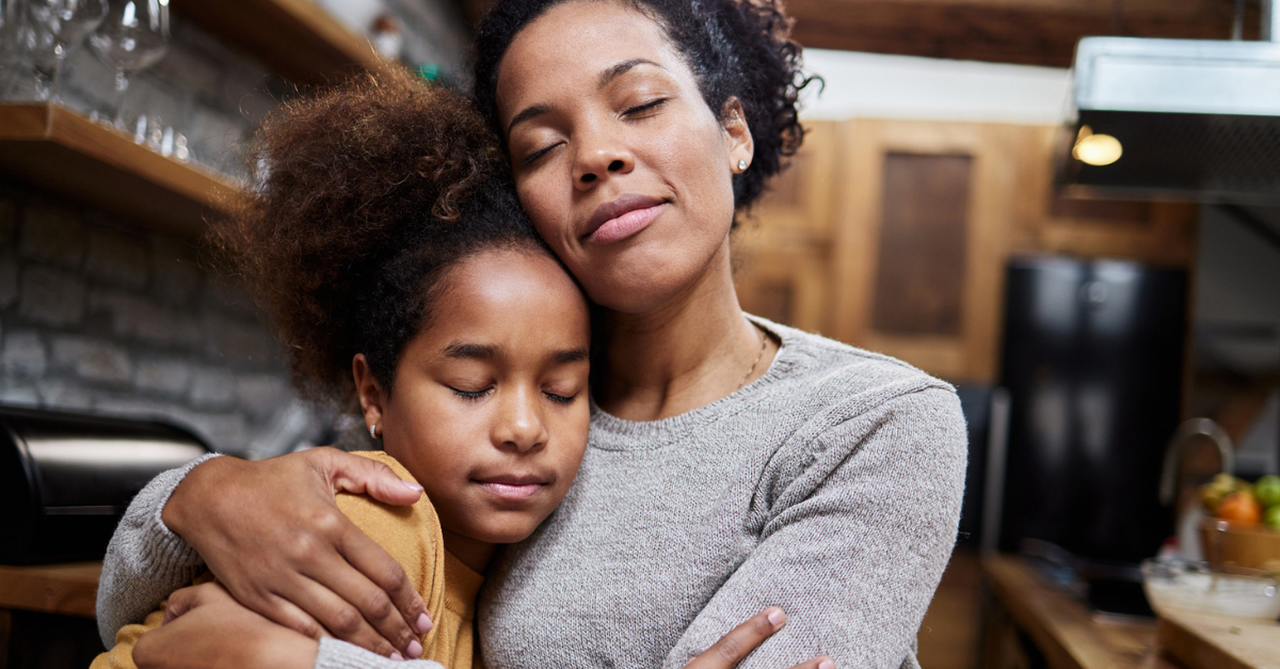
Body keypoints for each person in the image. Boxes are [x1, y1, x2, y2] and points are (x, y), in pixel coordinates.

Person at [97, 0, 968, 667]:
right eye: (543, 145)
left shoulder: (877, 422)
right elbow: (138, 617)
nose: (596, 154)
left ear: (733, 132)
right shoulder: (507, 398)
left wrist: (291, 661)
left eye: (639, 103)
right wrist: (196, 499)